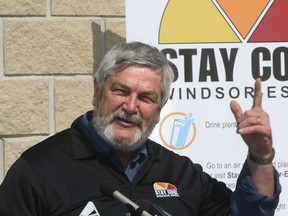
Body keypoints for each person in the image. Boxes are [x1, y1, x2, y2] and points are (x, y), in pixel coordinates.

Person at [0, 41, 281, 216]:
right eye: (121, 91)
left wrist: (260, 154)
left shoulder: (181, 174)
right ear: (98, 92)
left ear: (159, 109)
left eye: (146, 98)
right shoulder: (37, 171)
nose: (131, 106)